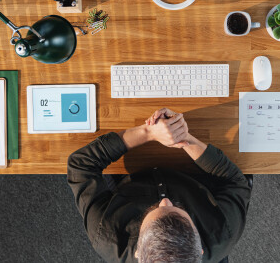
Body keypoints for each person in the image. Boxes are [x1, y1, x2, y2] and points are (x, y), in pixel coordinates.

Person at [67, 108, 251, 263]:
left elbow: (81, 165)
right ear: (201, 249)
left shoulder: (107, 235)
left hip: (133, 174)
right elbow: (236, 181)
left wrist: (148, 133)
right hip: (193, 175)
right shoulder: (223, 234)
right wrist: (183, 137)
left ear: (138, 253)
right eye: (178, 210)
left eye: (154, 212)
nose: (165, 202)